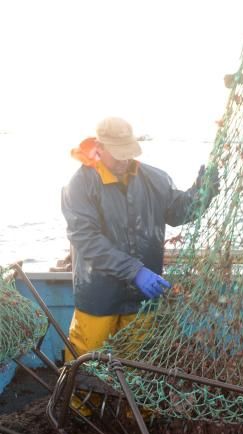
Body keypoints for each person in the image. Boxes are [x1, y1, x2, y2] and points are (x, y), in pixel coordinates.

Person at [62, 116, 218, 359]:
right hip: (98, 295)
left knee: (136, 365)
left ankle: (125, 399)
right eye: (117, 153)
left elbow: (178, 212)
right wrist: (135, 271)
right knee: (86, 361)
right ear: (99, 148)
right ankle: (79, 399)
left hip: (141, 298)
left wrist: (202, 193)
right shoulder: (80, 185)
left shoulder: (154, 179)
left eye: (127, 152)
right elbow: (87, 240)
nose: (124, 159)